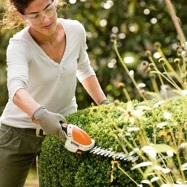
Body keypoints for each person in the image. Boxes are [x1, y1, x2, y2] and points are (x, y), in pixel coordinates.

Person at [0, 0, 109, 186]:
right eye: (35, 15)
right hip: (17, 134)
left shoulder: (75, 30)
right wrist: (40, 114)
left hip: (62, 130)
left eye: (48, 8)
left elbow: (84, 70)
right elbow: (16, 90)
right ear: (21, 16)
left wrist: (104, 103)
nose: (46, 18)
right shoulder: (19, 45)